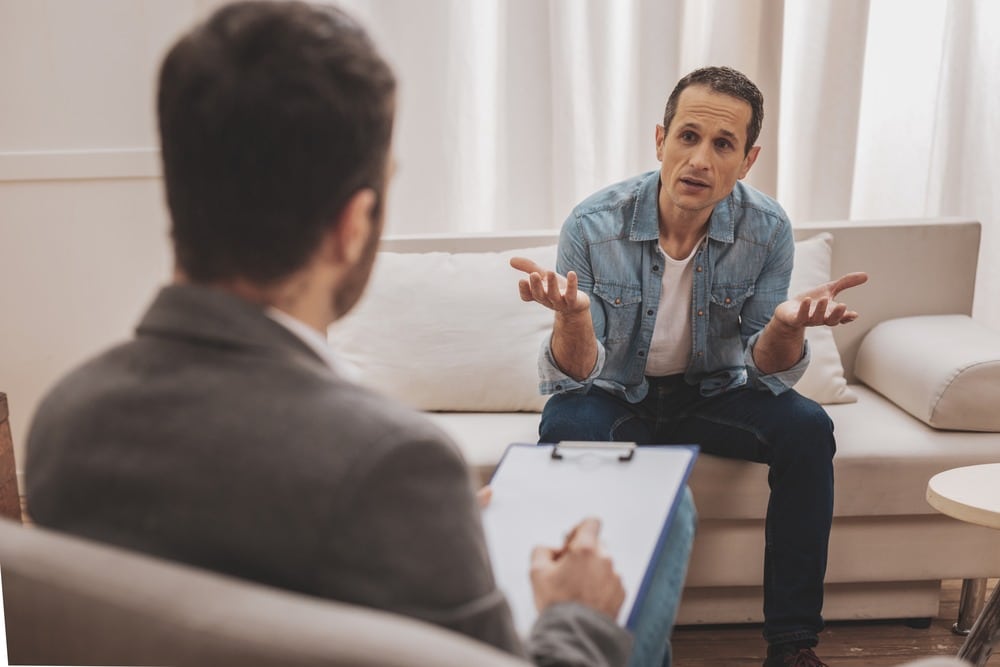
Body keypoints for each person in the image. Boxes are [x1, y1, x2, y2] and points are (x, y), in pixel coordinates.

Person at [24, 2, 695, 666]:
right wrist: (577, 616)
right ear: (354, 224)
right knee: (663, 531)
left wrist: (427, 532)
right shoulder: (390, 460)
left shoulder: (67, 417)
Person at [512, 66, 868, 667]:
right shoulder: (593, 224)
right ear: (660, 140)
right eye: (688, 136)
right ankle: (581, 640)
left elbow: (764, 370)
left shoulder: (768, 230)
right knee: (565, 424)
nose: (700, 159)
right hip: (614, 393)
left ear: (747, 160)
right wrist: (572, 317)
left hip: (711, 395)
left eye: (722, 144)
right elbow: (577, 373)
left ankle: (792, 644)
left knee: (808, 428)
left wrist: (785, 327)